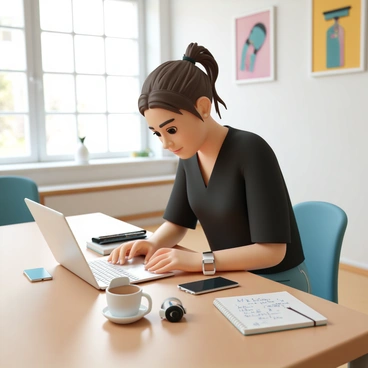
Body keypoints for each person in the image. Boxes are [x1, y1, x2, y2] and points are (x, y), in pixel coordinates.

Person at [108, 42, 311, 293]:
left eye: (171, 130)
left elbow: (273, 252)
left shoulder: (252, 150)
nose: (165, 143)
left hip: (279, 283)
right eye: (157, 133)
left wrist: (200, 261)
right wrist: (152, 243)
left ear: (203, 108)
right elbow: (177, 223)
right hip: (229, 277)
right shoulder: (188, 154)